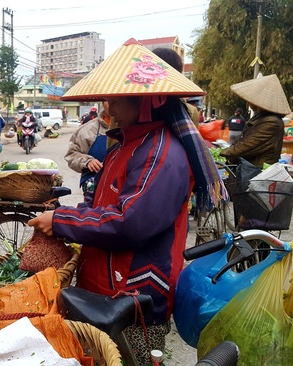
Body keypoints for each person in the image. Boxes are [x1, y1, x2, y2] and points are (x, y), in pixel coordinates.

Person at [29, 39, 226, 364]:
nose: (108, 108)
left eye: (116, 99)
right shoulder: (126, 143)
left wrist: (63, 223)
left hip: (134, 296)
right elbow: (103, 206)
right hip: (104, 285)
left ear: (147, 100)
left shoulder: (162, 154)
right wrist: (65, 214)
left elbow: (129, 221)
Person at [220, 75, 290, 168]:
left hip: (257, 173)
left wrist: (221, 154)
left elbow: (245, 147)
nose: (248, 102)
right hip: (248, 169)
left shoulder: (272, 122)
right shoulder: (260, 118)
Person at [64, 101, 110, 195]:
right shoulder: (88, 129)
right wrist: (87, 161)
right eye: (108, 100)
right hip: (95, 185)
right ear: (102, 102)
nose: (113, 104)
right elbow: (72, 155)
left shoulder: (132, 128)